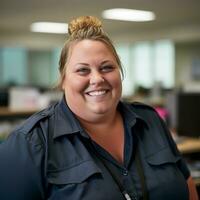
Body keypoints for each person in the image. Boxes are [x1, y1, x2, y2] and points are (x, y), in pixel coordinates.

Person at [0, 16, 198, 200]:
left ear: (119, 72)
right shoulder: (29, 144)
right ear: (63, 80)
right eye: (82, 70)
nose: (97, 79)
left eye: (106, 67)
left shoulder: (150, 120)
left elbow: (187, 184)